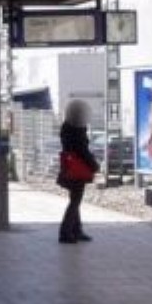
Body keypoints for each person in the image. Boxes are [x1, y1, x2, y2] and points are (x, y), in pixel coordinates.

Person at [57, 100, 100, 244]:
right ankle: (65, 232)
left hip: (69, 168)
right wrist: (94, 165)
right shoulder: (77, 131)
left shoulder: (66, 127)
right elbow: (83, 151)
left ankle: (76, 230)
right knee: (75, 201)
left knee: (74, 199)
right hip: (77, 169)